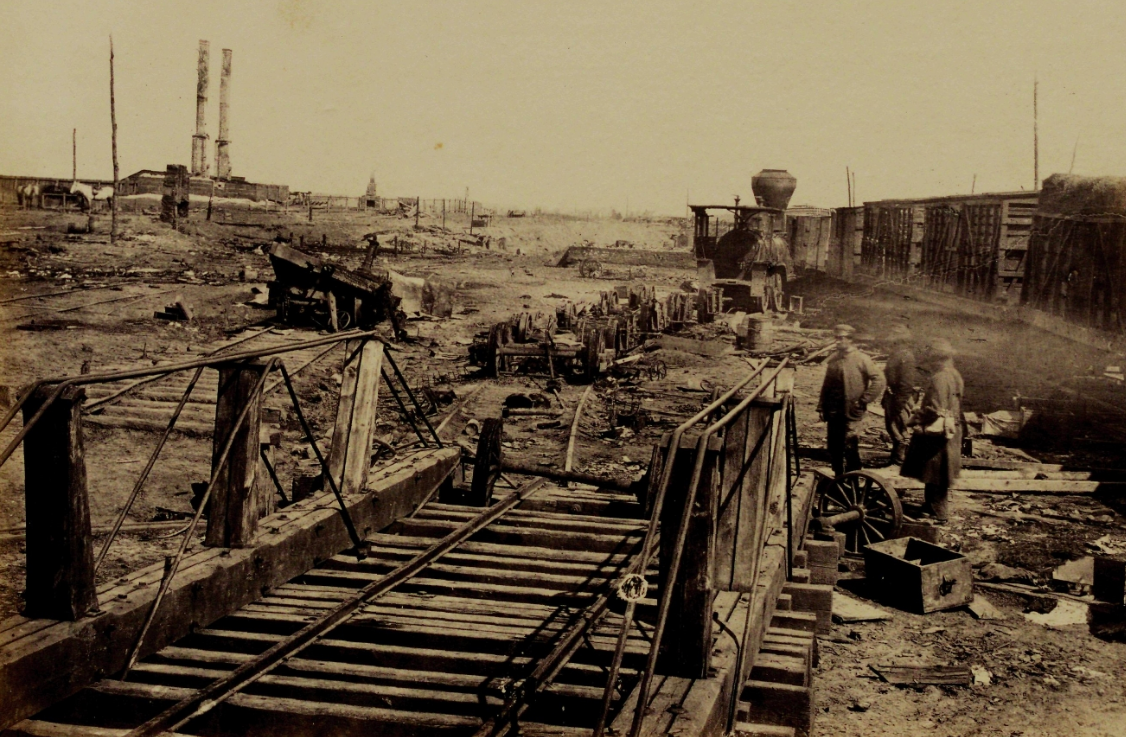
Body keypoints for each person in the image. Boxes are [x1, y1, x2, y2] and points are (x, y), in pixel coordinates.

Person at [901, 338, 964, 522]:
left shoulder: (939, 378)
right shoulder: (955, 375)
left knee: (935, 471)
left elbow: (935, 409)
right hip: (951, 429)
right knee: (937, 471)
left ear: (937, 360)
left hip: (936, 433)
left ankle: (938, 514)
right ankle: (931, 506)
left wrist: (916, 417)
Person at [818, 324, 886, 477]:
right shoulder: (834, 359)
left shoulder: (862, 359)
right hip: (833, 411)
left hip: (852, 411)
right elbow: (826, 385)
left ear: (850, 340)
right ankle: (838, 480)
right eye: (836, 338)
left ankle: (853, 480)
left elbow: (879, 380)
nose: (837, 342)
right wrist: (821, 407)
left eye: (841, 338)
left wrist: (864, 400)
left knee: (850, 447)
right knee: (834, 447)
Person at [882, 324, 918, 467]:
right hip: (892, 397)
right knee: (892, 428)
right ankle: (895, 460)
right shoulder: (895, 355)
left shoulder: (906, 356)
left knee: (901, 431)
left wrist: (899, 403)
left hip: (901, 398)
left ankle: (899, 463)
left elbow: (906, 384)